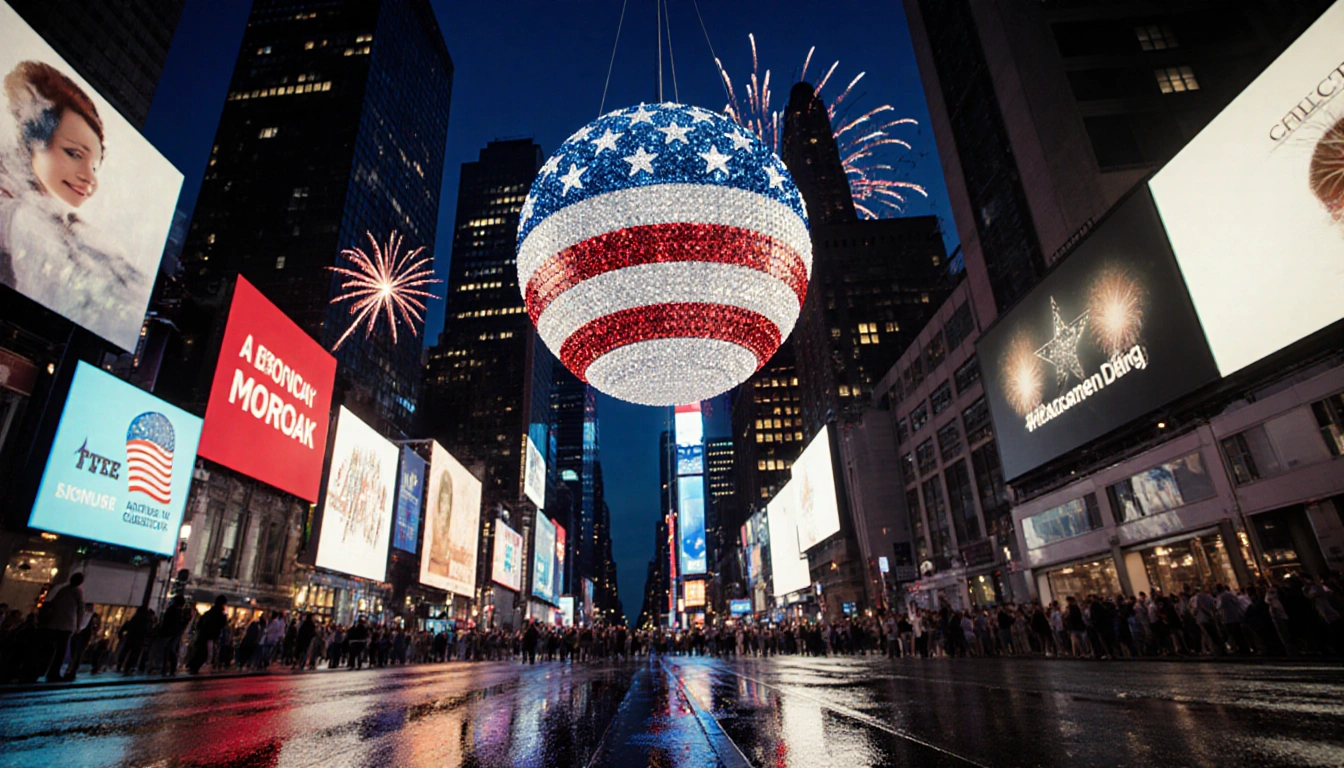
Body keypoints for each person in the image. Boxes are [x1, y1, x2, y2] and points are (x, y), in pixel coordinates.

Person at [0, 61, 147, 342]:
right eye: (74, 153)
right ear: (33, 140)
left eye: (94, 166)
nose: (89, 179)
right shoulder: (25, 219)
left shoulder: (67, 227)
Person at [31, 572, 84, 683]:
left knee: (50, 649)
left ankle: (40, 671)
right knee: (61, 651)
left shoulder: (63, 590)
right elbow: (81, 611)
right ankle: (53, 673)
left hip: (54, 624)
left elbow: (53, 605)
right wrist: (78, 626)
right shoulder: (77, 593)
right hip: (67, 626)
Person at [188, 595, 229, 674]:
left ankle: (193, 666)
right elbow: (220, 624)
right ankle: (193, 666)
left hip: (204, 634)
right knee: (204, 653)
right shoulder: (219, 613)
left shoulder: (210, 612)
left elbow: (200, 622)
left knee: (201, 651)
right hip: (208, 635)